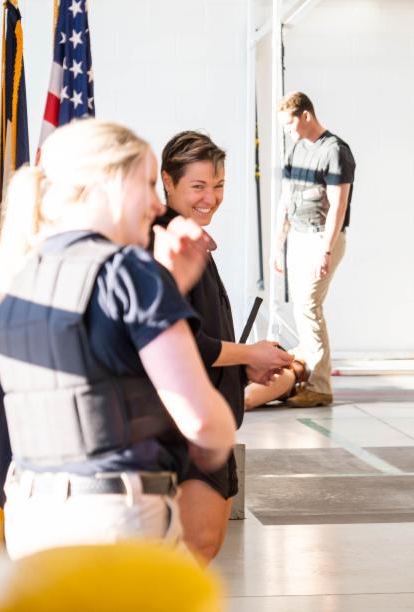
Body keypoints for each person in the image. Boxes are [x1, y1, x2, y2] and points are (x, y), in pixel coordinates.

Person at [0, 119, 236, 560]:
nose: (158, 205)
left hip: (31, 518)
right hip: (113, 519)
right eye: (148, 184)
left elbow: (94, 378)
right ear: (111, 183)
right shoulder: (128, 272)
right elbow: (204, 425)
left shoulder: (17, 278)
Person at [152, 131, 293, 564]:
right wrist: (249, 354)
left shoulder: (190, 238)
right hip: (182, 427)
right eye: (198, 186)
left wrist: (242, 366)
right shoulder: (165, 244)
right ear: (167, 182)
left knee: (201, 547)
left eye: (219, 186)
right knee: (191, 549)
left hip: (205, 420)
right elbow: (180, 342)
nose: (211, 198)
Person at [271, 91, 355, 408]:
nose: (288, 131)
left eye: (290, 124)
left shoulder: (335, 151)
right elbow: (286, 198)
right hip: (298, 235)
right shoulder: (296, 148)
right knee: (301, 309)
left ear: (305, 115)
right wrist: (277, 246)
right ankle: (306, 377)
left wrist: (326, 249)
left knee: (308, 305)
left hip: (323, 237)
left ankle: (320, 387)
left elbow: (338, 204)